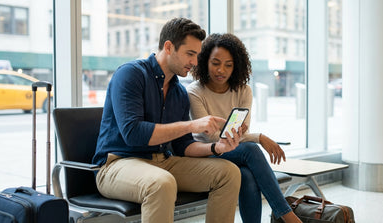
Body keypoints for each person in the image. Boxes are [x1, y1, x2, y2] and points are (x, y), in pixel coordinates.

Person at [92, 18, 243, 223]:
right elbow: (133, 133)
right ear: (169, 47)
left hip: (163, 162)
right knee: (161, 183)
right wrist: (191, 125)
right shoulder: (130, 74)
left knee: (229, 173)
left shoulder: (179, 92)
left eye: (197, 55)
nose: (195, 62)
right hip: (117, 165)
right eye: (190, 54)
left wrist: (217, 148)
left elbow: (183, 146)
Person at [187, 33, 302, 223]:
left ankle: (283, 215)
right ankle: (287, 215)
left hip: (232, 150)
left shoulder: (243, 90)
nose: (221, 70)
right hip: (206, 153)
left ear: (236, 66)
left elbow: (240, 134)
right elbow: (208, 137)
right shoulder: (195, 91)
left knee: (247, 176)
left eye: (228, 65)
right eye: (215, 63)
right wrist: (259, 137)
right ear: (205, 61)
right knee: (251, 149)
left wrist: (246, 137)